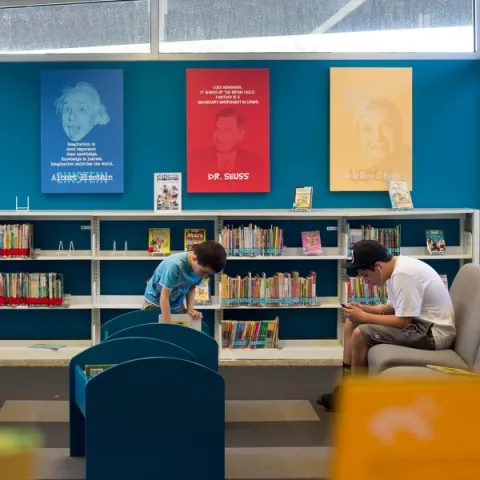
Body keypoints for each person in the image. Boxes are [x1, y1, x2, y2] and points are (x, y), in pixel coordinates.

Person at [317, 239, 456, 411]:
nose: (366, 282)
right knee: (350, 323)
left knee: (361, 332)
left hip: (433, 333)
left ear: (378, 267)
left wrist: (365, 316)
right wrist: (362, 309)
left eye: (366, 276)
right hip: (420, 326)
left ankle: (357, 396)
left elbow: (403, 321)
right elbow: (392, 308)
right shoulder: (394, 271)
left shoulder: (403, 274)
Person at [142, 240, 227, 322]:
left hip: (176, 304)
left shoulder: (200, 267)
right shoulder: (174, 265)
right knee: (154, 333)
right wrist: (168, 326)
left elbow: (191, 288)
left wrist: (190, 309)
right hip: (154, 303)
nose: (204, 276)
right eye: (204, 272)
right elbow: (164, 298)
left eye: (209, 273)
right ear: (194, 258)